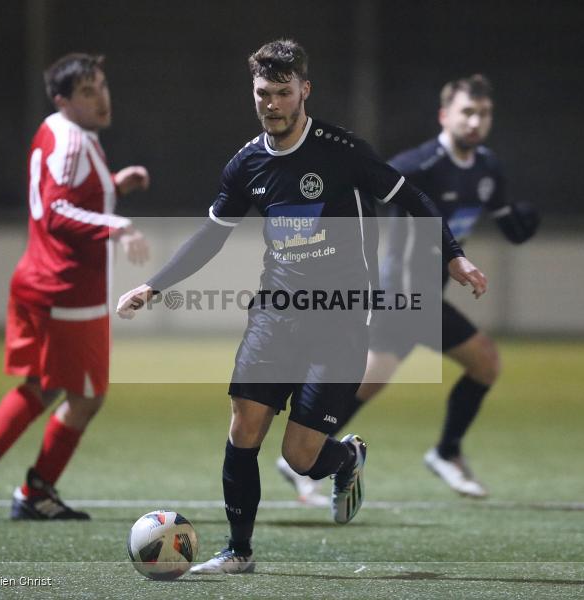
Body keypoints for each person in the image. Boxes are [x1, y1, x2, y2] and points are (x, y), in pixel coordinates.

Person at [116, 39, 486, 574]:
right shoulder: (246, 164)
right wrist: (154, 285)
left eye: (283, 92)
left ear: (304, 91)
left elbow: (412, 197)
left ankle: (347, 457)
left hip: (339, 320)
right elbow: (211, 237)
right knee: (244, 426)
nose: (272, 104)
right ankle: (238, 551)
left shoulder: (343, 151)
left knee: (300, 457)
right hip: (274, 314)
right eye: (263, 92)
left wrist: (453, 256)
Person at [277, 75, 538, 501]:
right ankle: (443, 453)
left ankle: (307, 453)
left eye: (483, 114)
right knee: (484, 362)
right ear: (444, 116)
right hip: (400, 294)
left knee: (369, 382)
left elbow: (508, 221)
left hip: (422, 297)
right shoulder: (420, 163)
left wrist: (521, 223)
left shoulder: (488, 169)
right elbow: (360, 186)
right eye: (467, 112)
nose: (475, 121)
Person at [0, 53, 150, 521]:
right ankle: (35, 491)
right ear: (63, 99)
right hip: (69, 291)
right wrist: (116, 225)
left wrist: (116, 185)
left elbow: (62, 196)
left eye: (101, 85)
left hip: (38, 279)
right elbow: (57, 212)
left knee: (43, 383)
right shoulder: (76, 144)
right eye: (87, 91)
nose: (101, 97)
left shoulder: (55, 130)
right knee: (87, 395)